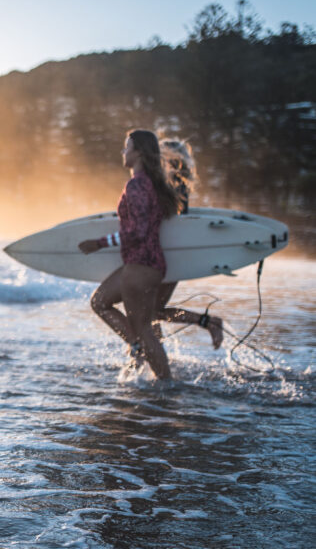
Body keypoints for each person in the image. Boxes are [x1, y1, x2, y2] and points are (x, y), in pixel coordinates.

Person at [78, 129, 182, 380]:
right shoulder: (151, 183)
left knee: (144, 328)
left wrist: (99, 243)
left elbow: (138, 231)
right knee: (100, 302)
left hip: (140, 265)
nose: (123, 152)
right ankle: (138, 348)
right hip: (147, 264)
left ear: (138, 153)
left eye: (127, 147)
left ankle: (165, 385)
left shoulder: (137, 184)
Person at [153, 139, 223, 348]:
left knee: (151, 311)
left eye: (160, 157)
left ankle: (209, 322)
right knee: (150, 311)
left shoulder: (172, 186)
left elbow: (171, 223)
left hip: (168, 255)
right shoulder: (173, 185)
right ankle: (149, 353)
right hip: (165, 253)